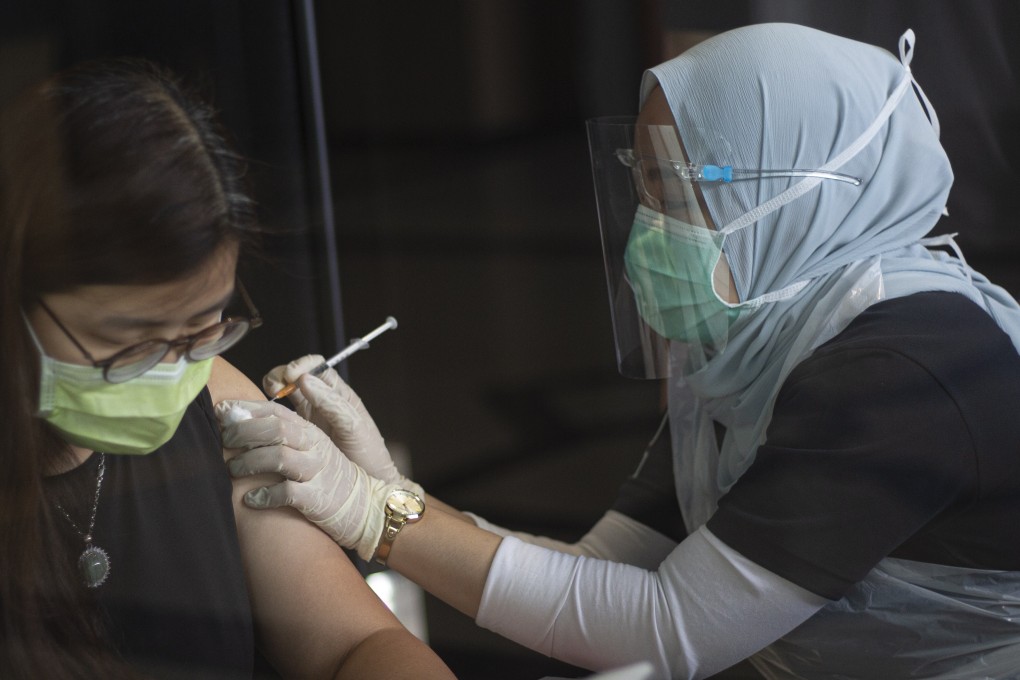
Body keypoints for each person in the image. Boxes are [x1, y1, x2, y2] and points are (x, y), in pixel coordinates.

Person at [219, 24, 1020, 679]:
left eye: (674, 191)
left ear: (793, 194)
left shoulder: (905, 369)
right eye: (642, 187)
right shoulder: (758, 345)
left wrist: (377, 517)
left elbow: (666, 632)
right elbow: (604, 573)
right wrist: (395, 492)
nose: (647, 229)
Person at [0, 57, 455, 679]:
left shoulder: (217, 400)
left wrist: (381, 506)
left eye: (201, 328)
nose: (170, 370)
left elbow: (360, 646)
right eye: (128, 339)